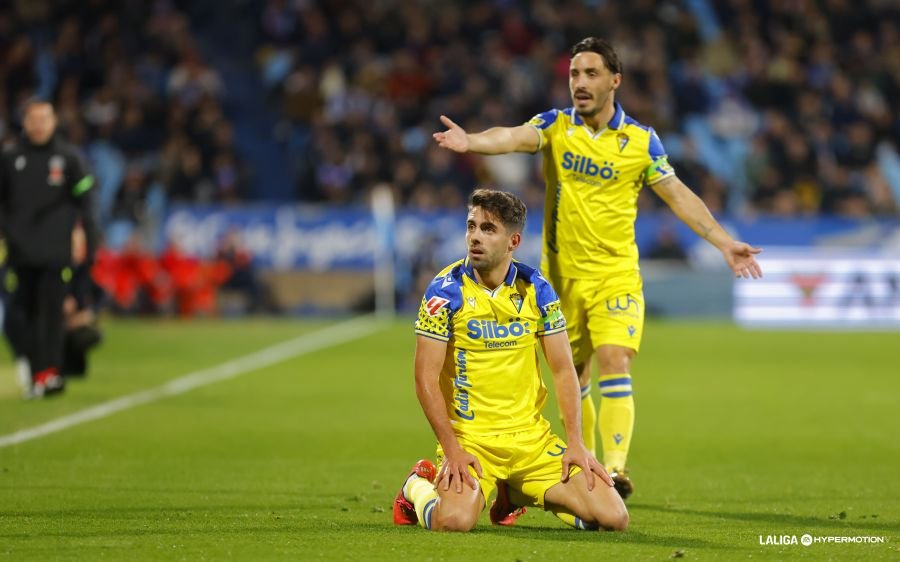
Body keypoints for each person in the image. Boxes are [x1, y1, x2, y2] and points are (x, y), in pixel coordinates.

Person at [433, 37, 763, 500]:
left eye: (590, 74)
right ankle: (584, 460)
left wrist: (724, 242)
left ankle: (615, 468)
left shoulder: (641, 142)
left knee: (615, 358)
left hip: (616, 276)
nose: (580, 83)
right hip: (561, 282)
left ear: (615, 81)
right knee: (577, 375)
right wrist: (472, 142)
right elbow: (511, 136)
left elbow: (677, 194)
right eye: (574, 74)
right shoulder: (555, 126)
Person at [393, 189, 628, 532]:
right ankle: (415, 486)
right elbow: (425, 379)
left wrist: (576, 443)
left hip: (532, 442)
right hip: (472, 441)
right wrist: (452, 449)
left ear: (513, 241)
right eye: (471, 226)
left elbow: (563, 370)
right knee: (454, 522)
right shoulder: (445, 292)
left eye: (488, 229)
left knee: (613, 519)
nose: (475, 236)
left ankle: (514, 494)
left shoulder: (537, 288)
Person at [0, 100, 97, 398]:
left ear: (54, 121)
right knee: (17, 318)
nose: (39, 124)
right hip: (18, 252)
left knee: (51, 315)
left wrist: (81, 230)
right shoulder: (10, 158)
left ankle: (49, 374)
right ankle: (37, 369)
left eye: (44, 118)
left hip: (56, 251)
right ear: (25, 122)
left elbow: (85, 194)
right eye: (33, 118)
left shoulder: (66, 159)